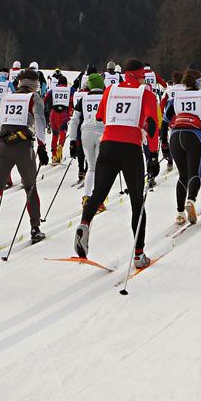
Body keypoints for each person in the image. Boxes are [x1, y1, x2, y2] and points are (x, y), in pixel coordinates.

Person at [73, 60, 160, 267]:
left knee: (98, 194)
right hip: (130, 148)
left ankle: (84, 223)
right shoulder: (145, 92)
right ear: (139, 76)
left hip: (108, 145)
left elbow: (101, 115)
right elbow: (153, 125)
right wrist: (154, 155)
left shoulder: (111, 89)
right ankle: (138, 255)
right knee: (137, 201)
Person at [0, 69, 48, 247]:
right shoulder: (34, 98)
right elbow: (40, 120)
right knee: (30, 186)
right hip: (23, 146)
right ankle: (35, 228)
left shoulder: (8, 96)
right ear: (34, 84)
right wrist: (42, 145)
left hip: (3, 145)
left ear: (19, 83)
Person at [165, 70, 201, 225]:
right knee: (194, 173)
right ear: (197, 82)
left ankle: (179, 213)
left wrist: (163, 142)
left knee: (183, 175)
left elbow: (165, 119)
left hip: (175, 136)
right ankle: (191, 200)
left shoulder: (176, 96)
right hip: (194, 135)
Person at [68, 72, 107, 210]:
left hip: (86, 133)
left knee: (91, 167)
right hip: (102, 132)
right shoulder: (106, 97)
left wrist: (72, 140)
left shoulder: (83, 99)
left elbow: (74, 120)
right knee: (101, 167)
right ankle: (98, 200)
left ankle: (86, 197)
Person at [46, 74, 74, 163]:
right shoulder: (70, 89)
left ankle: (54, 156)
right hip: (64, 113)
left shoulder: (53, 90)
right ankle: (60, 146)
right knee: (63, 132)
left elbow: (45, 99)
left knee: (54, 135)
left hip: (53, 113)